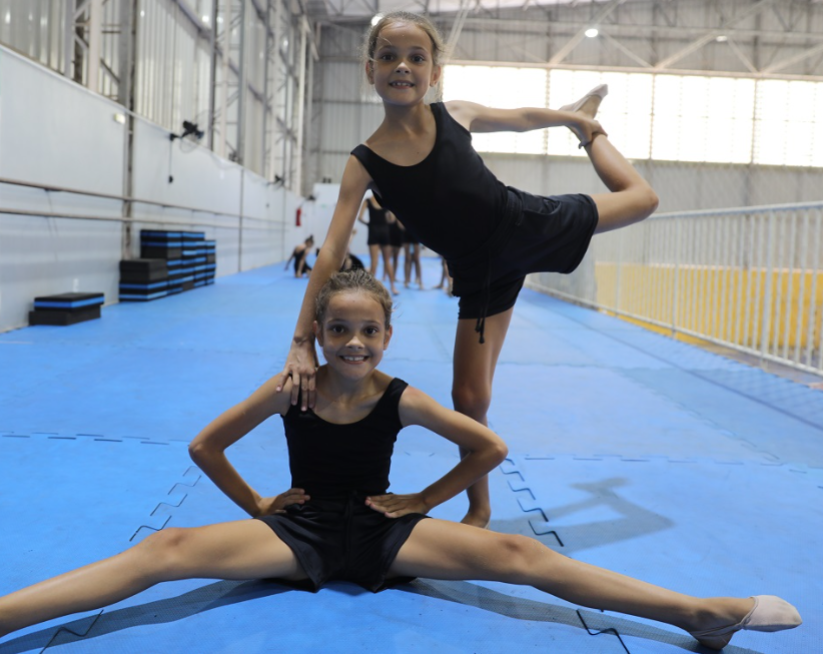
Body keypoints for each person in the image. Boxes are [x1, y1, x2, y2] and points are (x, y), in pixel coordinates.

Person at [0, 270, 801, 653]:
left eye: (367, 331)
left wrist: (426, 499)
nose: (353, 343)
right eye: (338, 329)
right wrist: (259, 503)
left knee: (522, 557)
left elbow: (490, 445)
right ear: (319, 333)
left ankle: (695, 613)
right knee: (165, 551)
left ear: (386, 337)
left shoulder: (400, 394)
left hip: (386, 531)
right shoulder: (292, 389)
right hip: (300, 528)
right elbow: (203, 445)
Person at [277, 11, 660, 528]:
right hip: (480, 274)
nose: (402, 66)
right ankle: (479, 508)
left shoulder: (454, 114)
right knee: (469, 398)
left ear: (434, 72)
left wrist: (572, 121)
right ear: (370, 70)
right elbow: (330, 251)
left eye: (416, 57)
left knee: (642, 199)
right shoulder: (364, 162)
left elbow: (520, 118)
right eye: (388, 56)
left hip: (525, 225)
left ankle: (589, 125)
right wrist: (301, 341)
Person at [356, 194, 398, 295]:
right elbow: (392, 219)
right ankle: (393, 287)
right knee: (387, 260)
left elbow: (360, 217)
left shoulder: (368, 201)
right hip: (384, 230)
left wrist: (369, 224)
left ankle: (371, 289)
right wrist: (386, 220)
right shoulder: (384, 200)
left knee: (374, 261)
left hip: (373, 230)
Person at [402, 220, 424, 290]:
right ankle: (406, 280)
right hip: (407, 232)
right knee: (407, 258)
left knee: (416, 259)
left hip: (415, 232)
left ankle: (420, 280)